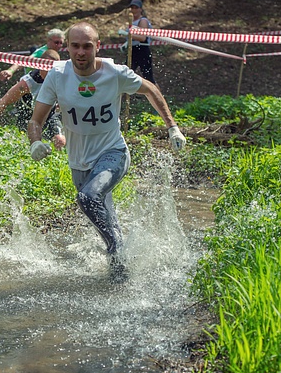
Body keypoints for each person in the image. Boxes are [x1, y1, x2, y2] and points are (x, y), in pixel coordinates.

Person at [27, 21, 186, 284]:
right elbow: (36, 120)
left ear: (97, 47)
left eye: (87, 46)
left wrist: (172, 127)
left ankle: (116, 253)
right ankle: (120, 271)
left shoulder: (115, 72)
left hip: (113, 152)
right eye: (75, 46)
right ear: (66, 47)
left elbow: (151, 89)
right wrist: (35, 142)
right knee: (102, 214)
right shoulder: (57, 75)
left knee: (88, 197)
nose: (81, 52)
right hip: (79, 161)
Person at [0, 49, 66, 150]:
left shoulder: (61, 78)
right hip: (28, 114)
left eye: (53, 69)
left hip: (49, 114)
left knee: (60, 142)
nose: (50, 73)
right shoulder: (29, 82)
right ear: (40, 67)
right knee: (25, 143)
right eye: (47, 68)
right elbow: (5, 101)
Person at [0, 28, 65, 129]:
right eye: (56, 42)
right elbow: (23, 61)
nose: (59, 46)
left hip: (43, 88)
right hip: (30, 88)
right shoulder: (41, 52)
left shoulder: (54, 54)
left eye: (61, 43)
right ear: (48, 41)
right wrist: (10, 71)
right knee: (26, 119)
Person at [120, 0, 155, 84]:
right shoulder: (132, 22)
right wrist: (126, 43)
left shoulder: (142, 21)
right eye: (132, 8)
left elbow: (142, 37)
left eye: (136, 8)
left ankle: (159, 96)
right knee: (125, 74)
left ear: (140, 9)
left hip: (142, 50)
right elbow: (132, 38)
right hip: (133, 50)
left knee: (148, 78)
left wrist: (126, 34)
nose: (134, 10)